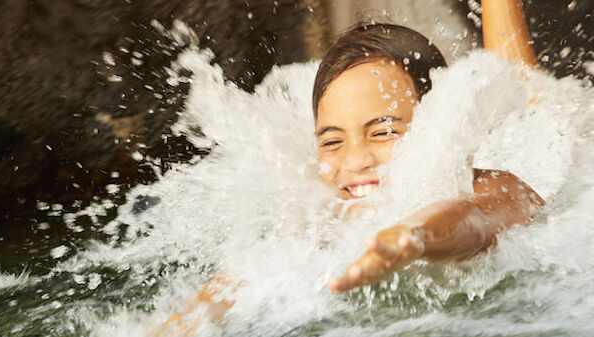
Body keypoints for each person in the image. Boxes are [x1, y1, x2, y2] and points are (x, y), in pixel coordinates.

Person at [152, 0, 543, 334]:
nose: (355, 161)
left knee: (531, 103)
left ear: (437, 122)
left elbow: (473, 219)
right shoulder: (318, 220)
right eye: (333, 141)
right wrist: (186, 323)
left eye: (384, 132)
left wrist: (415, 235)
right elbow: (228, 290)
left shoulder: (500, 182)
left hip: (537, 151)